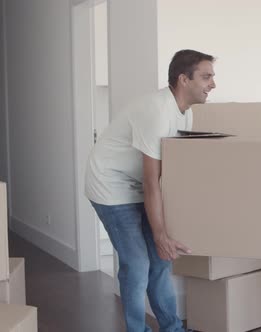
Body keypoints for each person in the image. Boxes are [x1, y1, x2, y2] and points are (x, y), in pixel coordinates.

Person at [85, 49, 216, 332]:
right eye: (206, 77)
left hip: (140, 184)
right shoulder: (156, 111)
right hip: (111, 184)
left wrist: (167, 232)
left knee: (160, 263)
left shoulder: (185, 114)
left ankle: (172, 328)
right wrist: (160, 234)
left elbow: (169, 176)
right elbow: (150, 180)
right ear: (183, 79)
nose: (213, 84)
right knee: (137, 264)